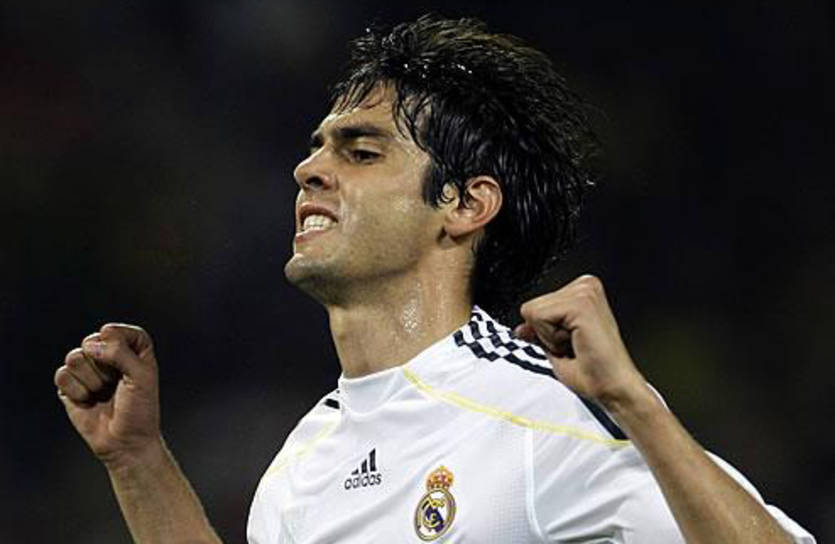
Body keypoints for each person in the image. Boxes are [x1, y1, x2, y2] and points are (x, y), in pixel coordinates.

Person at [54, 14, 815, 543]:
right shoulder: (302, 461)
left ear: (465, 205)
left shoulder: (543, 410)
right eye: (318, 147)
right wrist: (138, 462)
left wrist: (633, 404)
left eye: (360, 152)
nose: (308, 168)